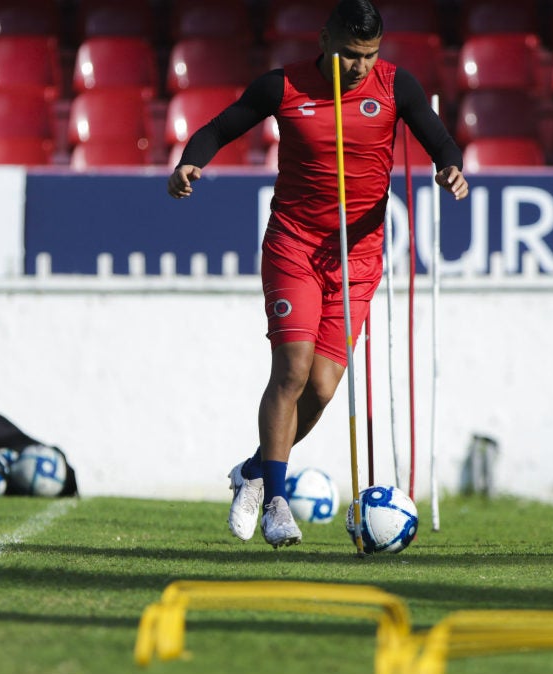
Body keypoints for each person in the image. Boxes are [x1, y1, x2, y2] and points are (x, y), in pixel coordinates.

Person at [167, 0, 469, 548]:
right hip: (295, 246)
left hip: (357, 257)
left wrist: (451, 166)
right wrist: (192, 160)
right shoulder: (283, 86)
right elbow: (223, 124)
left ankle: (256, 470)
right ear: (326, 38)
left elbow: (437, 137)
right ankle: (276, 502)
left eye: (369, 55)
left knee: (323, 388)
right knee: (293, 369)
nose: (359, 66)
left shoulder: (397, 86)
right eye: (351, 54)